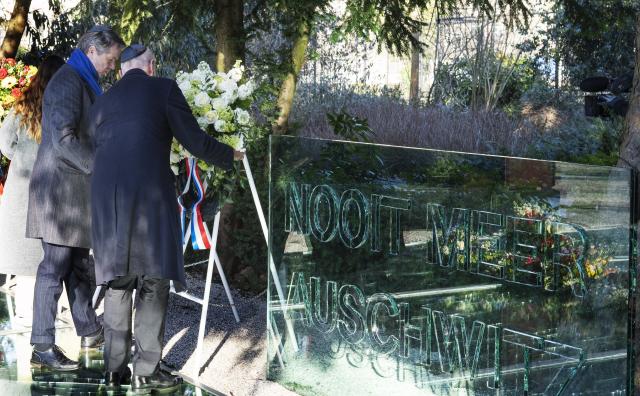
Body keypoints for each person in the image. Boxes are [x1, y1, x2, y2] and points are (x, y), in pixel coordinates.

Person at [89, 44, 244, 392]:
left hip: (106, 203)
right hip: (149, 201)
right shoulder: (163, 89)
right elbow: (194, 141)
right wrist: (231, 154)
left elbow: (95, 150)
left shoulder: (102, 101)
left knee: (117, 283)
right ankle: (146, 369)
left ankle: (114, 370)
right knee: (152, 283)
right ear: (151, 65)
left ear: (122, 70)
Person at [26, 26, 125, 371]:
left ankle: (90, 330)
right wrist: (101, 168)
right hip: (59, 193)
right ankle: (41, 347)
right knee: (54, 267)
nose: (112, 67)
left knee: (78, 265)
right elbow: (64, 138)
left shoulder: (83, 80)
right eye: (111, 60)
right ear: (93, 51)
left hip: (73, 193)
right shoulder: (69, 80)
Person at [0, 56, 65, 327]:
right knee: (53, 253)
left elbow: (5, 144)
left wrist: (23, 159)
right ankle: (53, 313)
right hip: (56, 185)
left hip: (22, 189)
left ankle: (26, 314)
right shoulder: (65, 106)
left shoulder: (21, 107)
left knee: (26, 257)